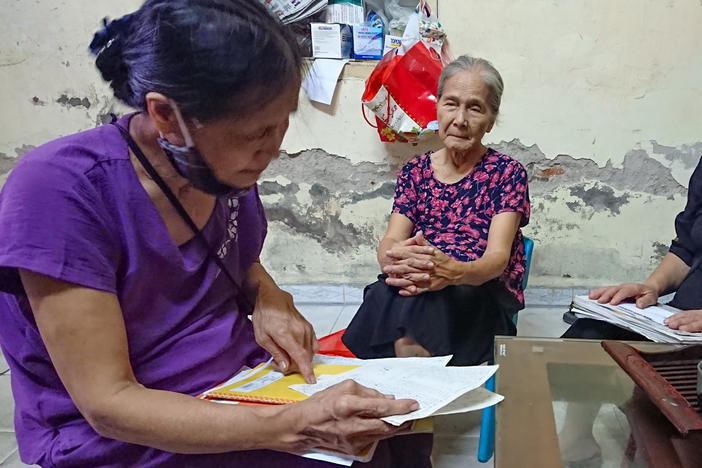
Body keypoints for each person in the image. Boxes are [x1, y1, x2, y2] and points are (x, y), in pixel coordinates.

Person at [0, 1, 425, 466]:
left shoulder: (220, 171)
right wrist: (291, 427)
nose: (274, 146)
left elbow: (238, 263)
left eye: (282, 122)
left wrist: (268, 296)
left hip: (236, 389)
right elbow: (108, 404)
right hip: (130, 434)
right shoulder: (60, 191)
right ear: (165, 115)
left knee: (398, 432)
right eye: (254, 131)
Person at [342, 55, 531, 366]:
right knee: (386, 291)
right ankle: (415, 385)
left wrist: (455, 272)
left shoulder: (507, 173)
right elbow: (390, 243)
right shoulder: (414, 172)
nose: (460, 119)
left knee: (417, 311)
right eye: (451, 104)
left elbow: (496, 259)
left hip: (477, 287)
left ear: (491, 120)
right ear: (437, 106)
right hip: (419, 284)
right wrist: (406, 262)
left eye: (475, 107)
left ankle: (408, 395)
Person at [557, 156, 702, 466]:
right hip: (679, 318)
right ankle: (576, 441)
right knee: (589, 332)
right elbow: (688, 248)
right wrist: (651, 286)